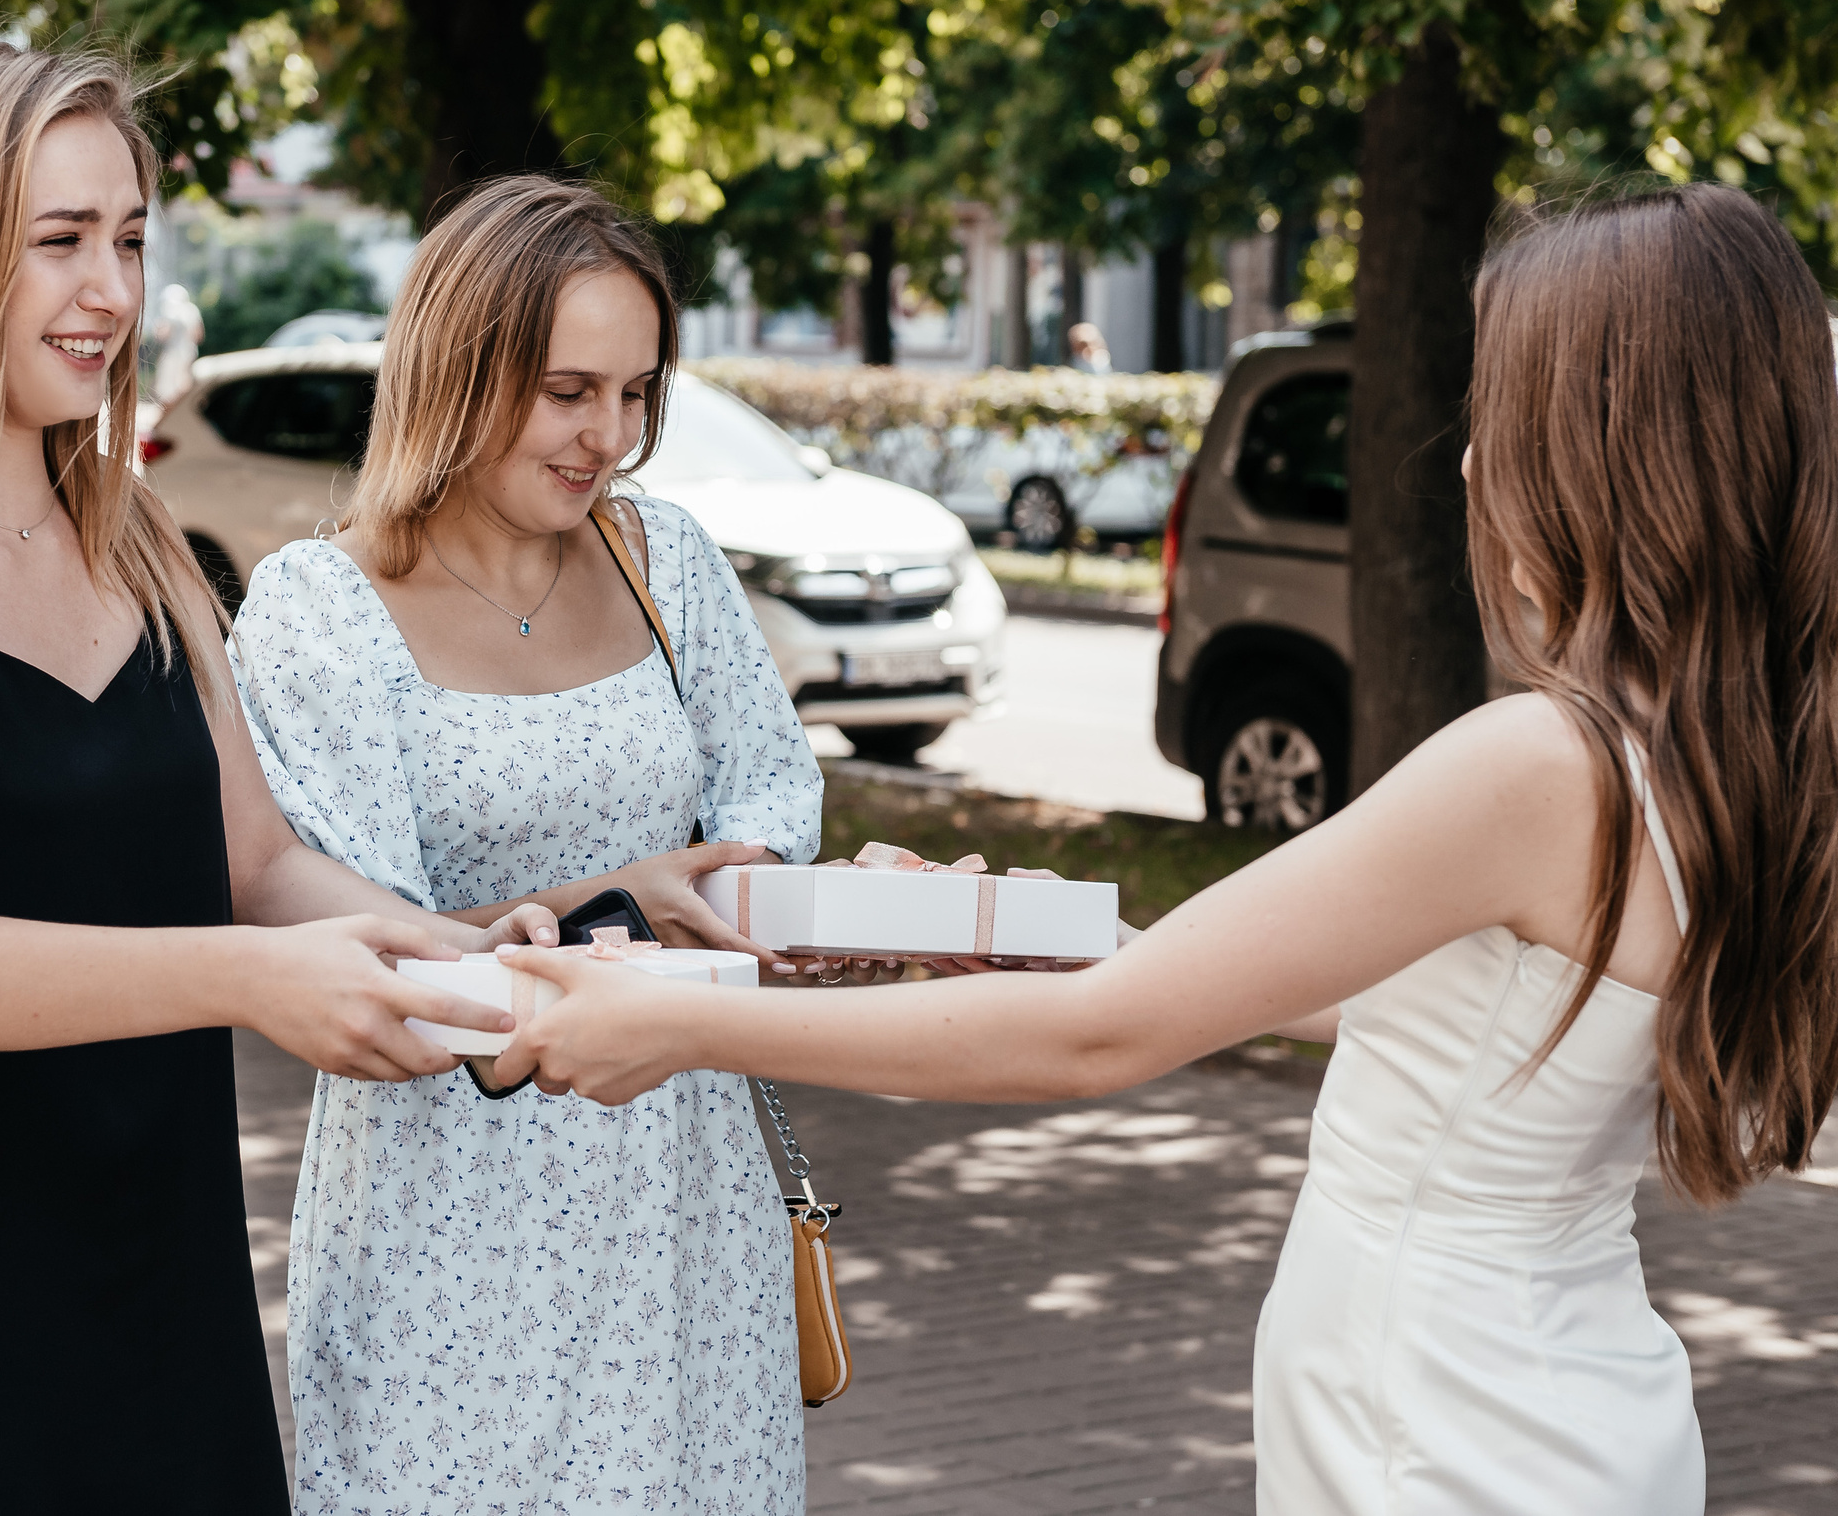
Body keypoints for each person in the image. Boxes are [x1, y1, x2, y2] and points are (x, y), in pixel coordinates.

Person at [498, 181, 1838, 1515]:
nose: (1475, 462)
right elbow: (1453, 1012)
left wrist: (681, 1028)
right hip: (1566, 1396)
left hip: (1438, 1417)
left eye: (1500, 409)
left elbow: (1108, 1038)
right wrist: (1068, 947)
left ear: (1599, 449)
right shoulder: (1725, 753)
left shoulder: (1540, 764)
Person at [0, 36, 548, 1516]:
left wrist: (462, 958)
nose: (113, 291)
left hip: (164, 1289)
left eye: (132, 238)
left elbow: (261, 865)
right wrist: (237, 979)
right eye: (61, 242)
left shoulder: (140, 540)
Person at [230, 176, 826, 1511]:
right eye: (569, 390)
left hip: (682, 1172)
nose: (607, 434)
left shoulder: (666, 561)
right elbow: (365, 939)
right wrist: (630, 904)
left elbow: (772, 800)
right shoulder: (318, 611)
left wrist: (790, 895)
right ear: (459, 367)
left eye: (635, 392)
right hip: (450, 1206)